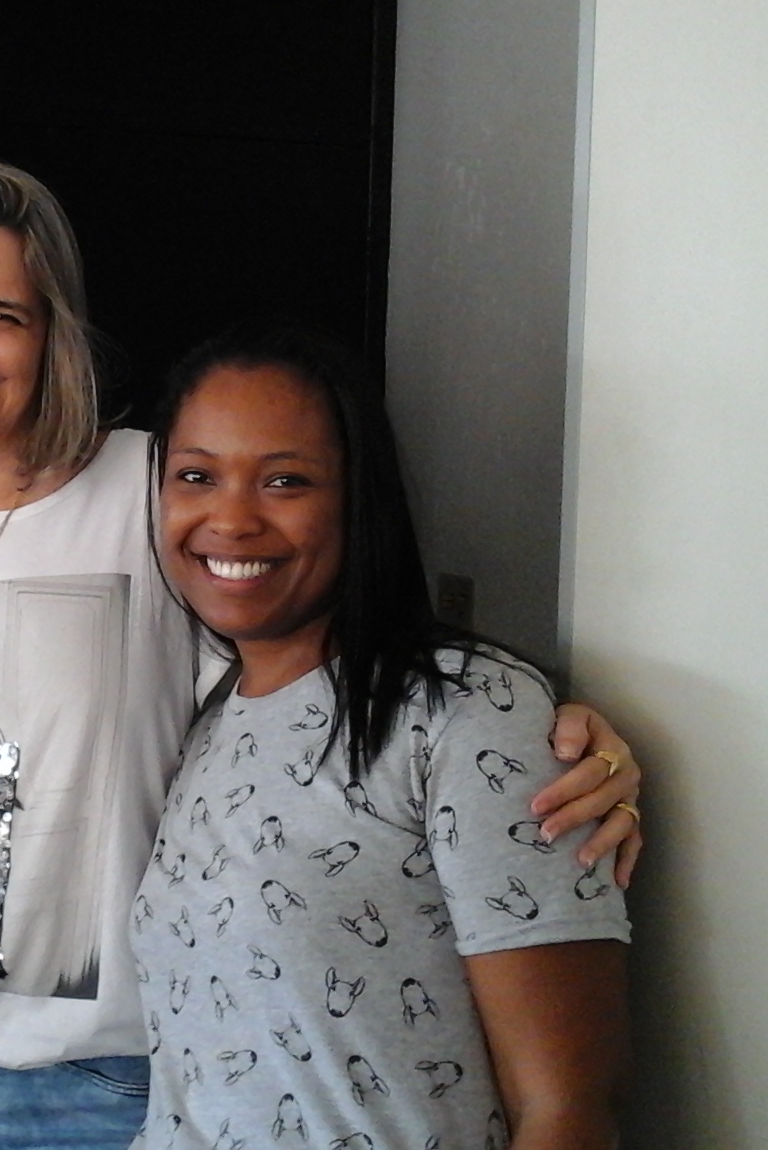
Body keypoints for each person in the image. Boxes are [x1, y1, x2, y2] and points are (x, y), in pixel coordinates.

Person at [0, 159, 644, 1149]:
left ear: (54, 329)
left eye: (2, 316)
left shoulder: (160, 485)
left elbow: (323, 648)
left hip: (97, 1075)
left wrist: (548, 729)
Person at [133, 323, 630, 1149]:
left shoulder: (468, 712)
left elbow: (566, 1107)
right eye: (196, 476)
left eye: (285, 481)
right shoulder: (208, 717)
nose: (232, 518)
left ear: (358, 499)